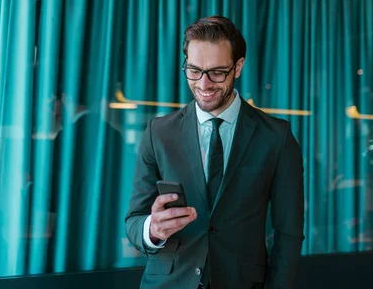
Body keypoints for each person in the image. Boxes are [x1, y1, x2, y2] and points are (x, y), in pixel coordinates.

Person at [125, 16, 304, 288]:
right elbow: (134, 222)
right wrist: (152, 230)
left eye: (217, 72)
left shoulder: (276, 137)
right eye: (194, 70)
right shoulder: (158, 133)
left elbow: (288, 232)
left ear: (238, 66)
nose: (204, 84)